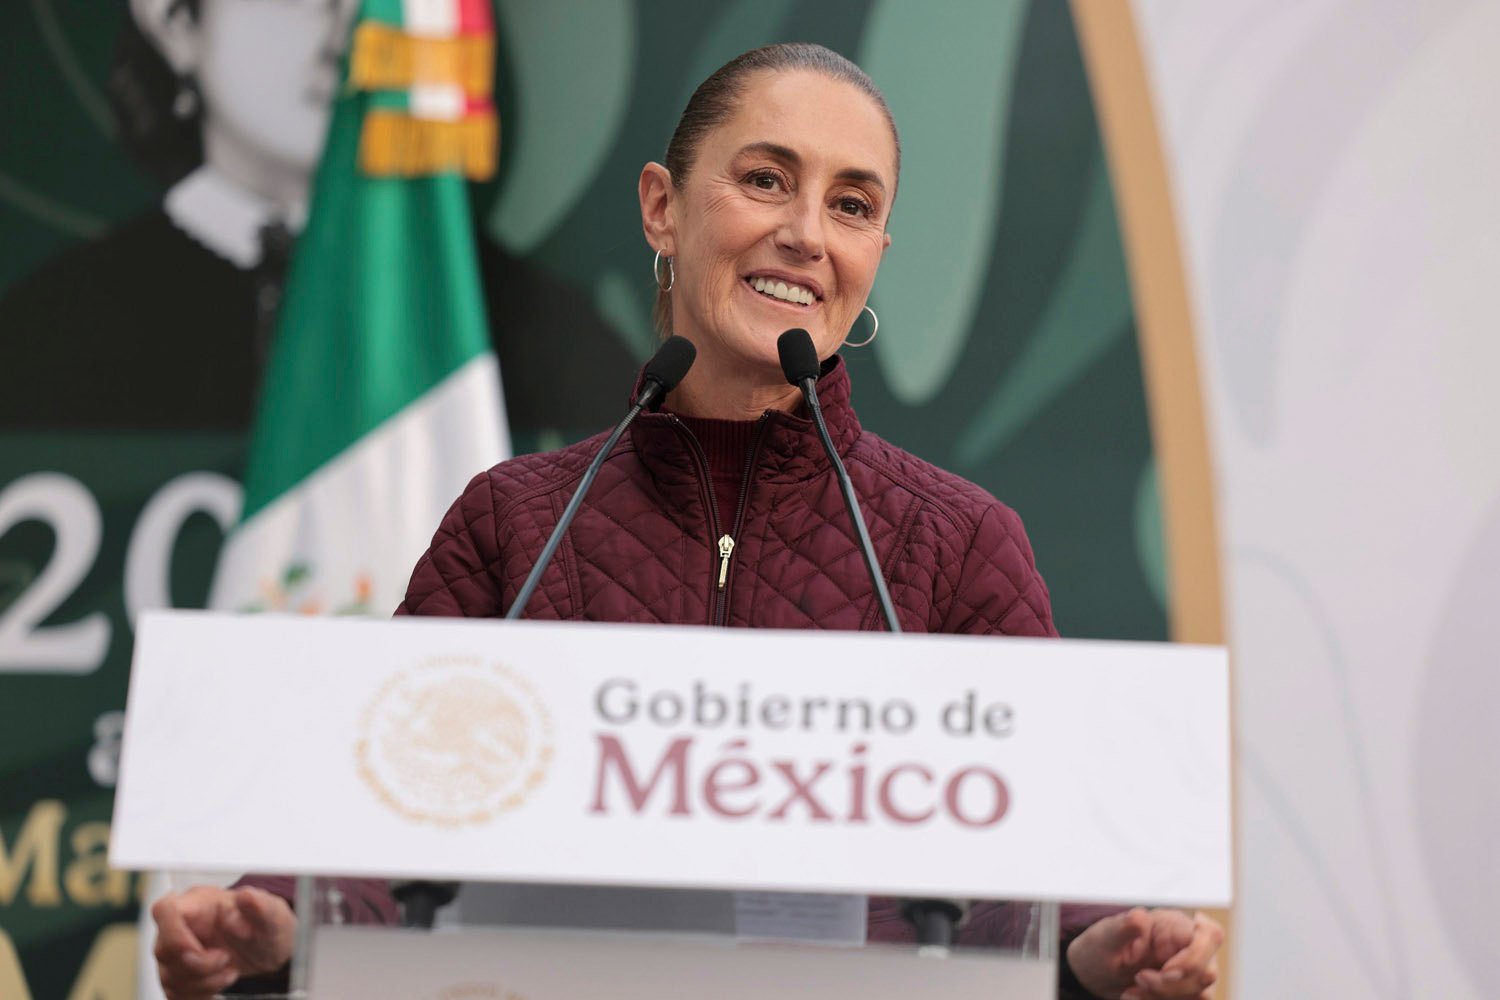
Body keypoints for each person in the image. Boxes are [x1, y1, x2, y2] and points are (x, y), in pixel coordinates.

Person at [148, 43, 1224, 1000]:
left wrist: (1099, 948)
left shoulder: (957, 542)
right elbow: (388, 824)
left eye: (852, 205)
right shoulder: (514, 523)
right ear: (662, 207)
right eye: (765, 180)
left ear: (877, 253)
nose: (806, 234)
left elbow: (1034, 869)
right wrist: (273, 927)